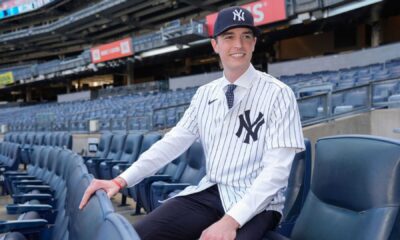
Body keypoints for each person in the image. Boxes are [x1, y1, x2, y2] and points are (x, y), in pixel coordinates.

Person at [80, 6, 304, 240]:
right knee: (138, 235)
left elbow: (276, 172)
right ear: (215, 45)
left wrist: (230, 221)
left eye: (246, 36)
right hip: (212, 192)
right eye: (229, 37)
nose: (238, 44)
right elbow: (172, 143)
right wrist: (120, 180)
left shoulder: (279, 93)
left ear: (254, 43)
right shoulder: (205, 94)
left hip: (260, 204)